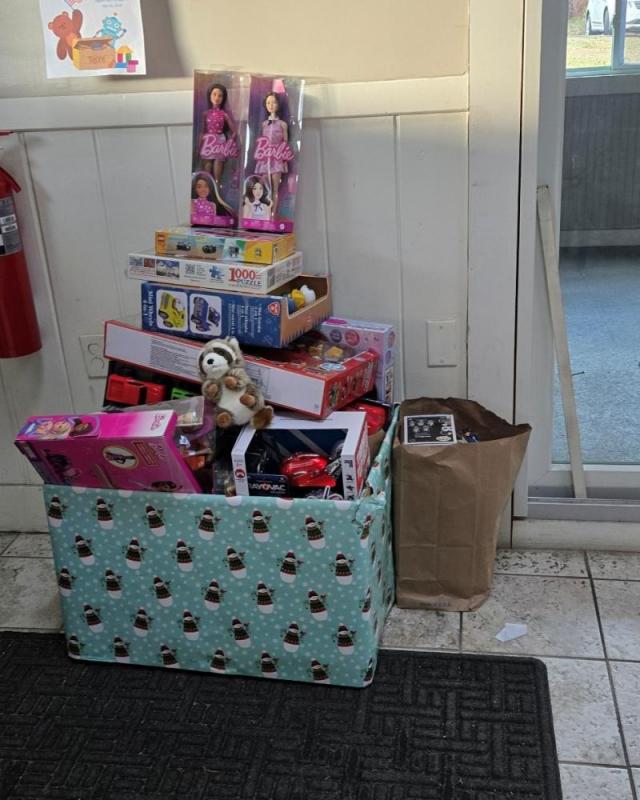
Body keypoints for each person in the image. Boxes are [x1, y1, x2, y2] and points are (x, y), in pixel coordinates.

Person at [254, 92, 291, 218]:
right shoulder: (264, 124)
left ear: (278, 104)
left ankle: (273, 214)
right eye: (268, 103)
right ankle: (264, 212)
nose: (271, 105)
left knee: (275, 188)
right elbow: (260, 142)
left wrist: (284, 158)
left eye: (274, 102)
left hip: (277, 158)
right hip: (265, 158)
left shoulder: (282, 124)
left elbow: (285, 143)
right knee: (264, 186)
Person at [199, 83, 238, 197]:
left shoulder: (224, 114)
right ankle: (205, 198)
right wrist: (199, 146)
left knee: (217, 176)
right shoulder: (205, 114)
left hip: (219, 142)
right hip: (208, 142)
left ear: (223, 98)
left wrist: (230, 142)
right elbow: (202, 131)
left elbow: (234, 131)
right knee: (206, 174)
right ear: (210, 96)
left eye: (220, 95)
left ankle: (218, 198)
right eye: (214, 94)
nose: (217, 97)